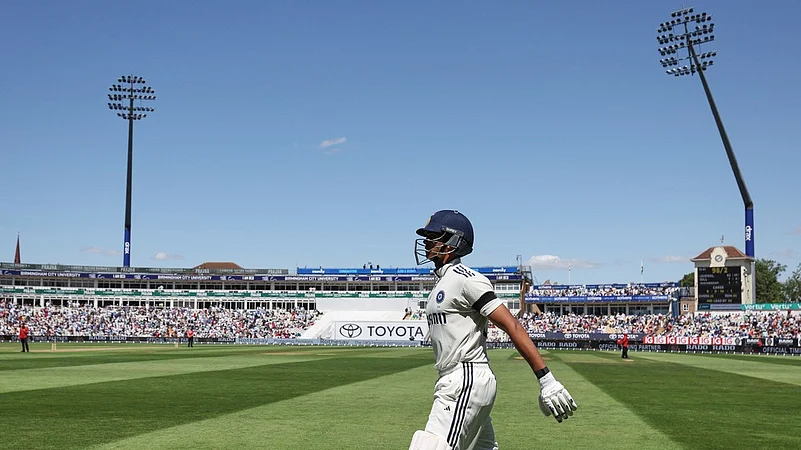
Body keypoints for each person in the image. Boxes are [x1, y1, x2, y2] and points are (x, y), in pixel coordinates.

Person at [408, 210, 577, 450]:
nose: (427, 242)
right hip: (459, 380)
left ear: (453, 241)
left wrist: (547, 380)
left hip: (464, 379)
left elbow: (512, 325)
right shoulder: (443, 282)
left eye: (433, 236)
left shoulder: (466, 279)